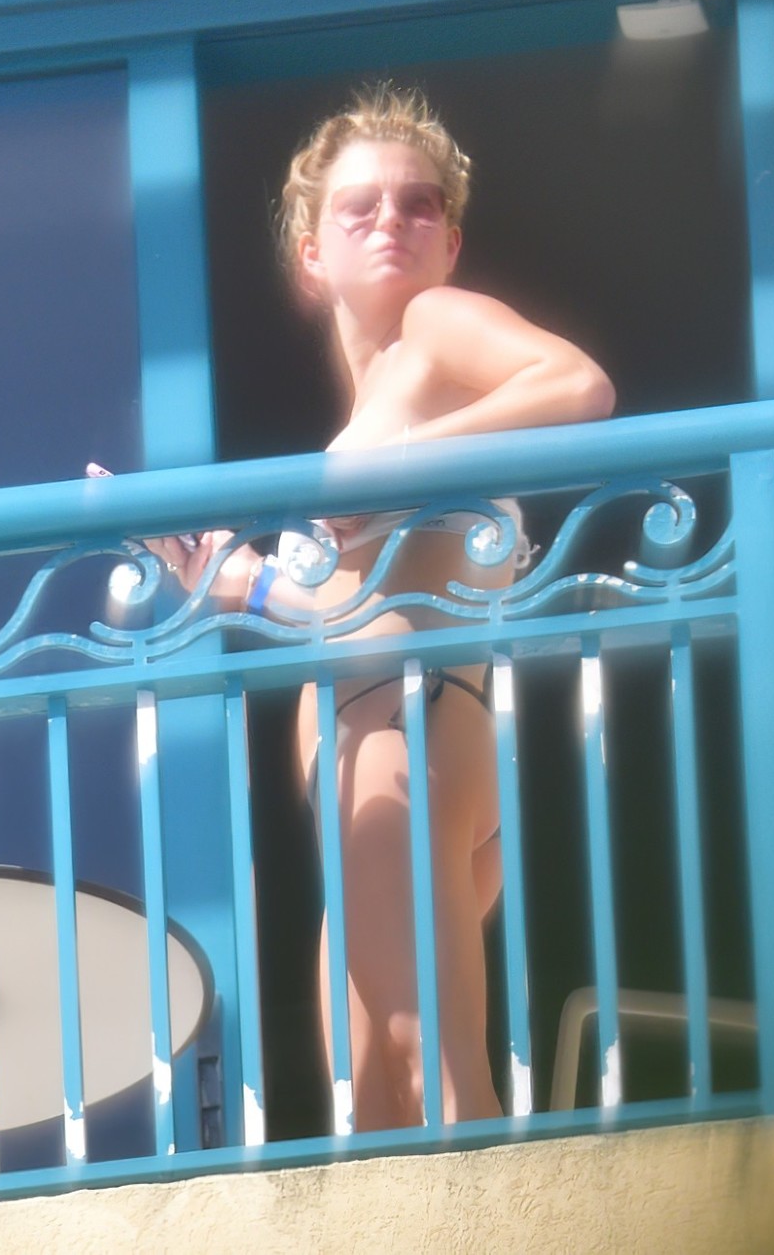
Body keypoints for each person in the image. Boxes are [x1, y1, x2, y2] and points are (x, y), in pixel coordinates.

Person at [163, 85, 614, 1130]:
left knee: (429, 1077)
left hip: (405, 734)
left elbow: (579, 384)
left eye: (419, 205)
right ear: (311, 255)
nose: (392, 222)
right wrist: (245, 584)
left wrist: (399, 462)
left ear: (450, 243)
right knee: (376, 1104)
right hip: (383, 744)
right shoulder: (369, 413)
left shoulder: (433, 329)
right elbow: (363, 610)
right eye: (359, 207)